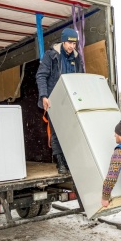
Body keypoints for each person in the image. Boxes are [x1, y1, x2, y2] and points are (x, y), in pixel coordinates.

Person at [36, 27, 84, 174]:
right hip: (54, 99)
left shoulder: (77, 58)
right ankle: (60, 162)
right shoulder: (51, 56)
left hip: (70, 100)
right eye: (69, 43)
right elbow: (41, 76)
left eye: (74, 44)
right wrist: (44, 96)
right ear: (63, 41)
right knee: (57, 131)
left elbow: (80, 79)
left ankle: (69, 160)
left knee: (71, 132)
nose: (72, 46)